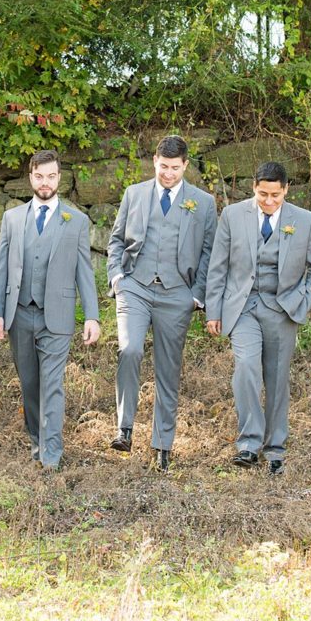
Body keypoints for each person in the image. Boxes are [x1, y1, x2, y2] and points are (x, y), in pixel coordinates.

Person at [205, 161, 311, 475]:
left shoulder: (305, 220)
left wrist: (302, 302)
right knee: (246, 366)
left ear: (286, 190)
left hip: (282, 309)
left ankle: (275, 449)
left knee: (277, 379)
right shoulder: (232, 215)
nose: (269, 201)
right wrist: (214, 310)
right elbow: (218, 266)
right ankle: (248, 443)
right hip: (242, 307)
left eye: (276, 195)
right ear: (254, 188)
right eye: (263, 194)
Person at [107, 135, 217, 469]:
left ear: (185, 165)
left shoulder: (203, 203)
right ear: (154, 161)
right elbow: (115, 239)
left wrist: (196, 296)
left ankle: (162, 446)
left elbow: (210, 251)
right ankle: (125, 428)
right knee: (129, 349)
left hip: (176, 294)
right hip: (136, 286)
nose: (167, 173)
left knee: (168, 369)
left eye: (174, 168)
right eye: (162, 166)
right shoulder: (134, 194)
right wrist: (117, 277)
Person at [0, 150, 100, 468]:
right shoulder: (12, 219)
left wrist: (92, 315)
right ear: (31, 178)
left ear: (59, 178)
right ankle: (37, 441)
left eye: (51, 176)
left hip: (57, 316)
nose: (45, 182)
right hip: (20, 314)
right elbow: (0, 269)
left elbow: (85, 270)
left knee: (52, 384)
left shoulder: (76, 221)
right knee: (29, 384)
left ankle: (51, 454)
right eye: (39, 176)